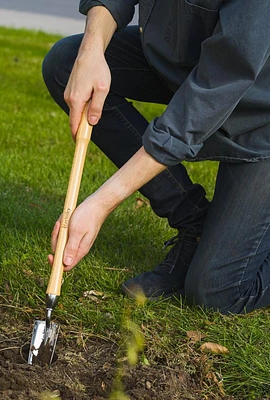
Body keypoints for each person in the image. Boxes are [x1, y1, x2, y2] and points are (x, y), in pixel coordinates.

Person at [41, 0, 270, 315]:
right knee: (65, 63)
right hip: (181, 65)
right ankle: (194, 222)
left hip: (259, 114)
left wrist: (100, 204)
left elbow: (205, 101)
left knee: (216, 291)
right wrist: (90, 52)